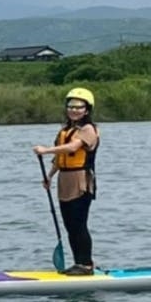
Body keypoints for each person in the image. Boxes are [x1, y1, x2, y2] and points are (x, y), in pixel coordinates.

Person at [33, 87, 100, 275]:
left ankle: (86, 265)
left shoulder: (89, 130)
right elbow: (60, 158)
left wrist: (45, 150)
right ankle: (78, 263)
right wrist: (49, 176)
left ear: (87, 110)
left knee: (79, 224)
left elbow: (73, 147)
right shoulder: (65, 130)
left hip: (81, 180)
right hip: (64, 180)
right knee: (70, 225)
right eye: (71, 106)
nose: (74, 110)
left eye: (79, 107)